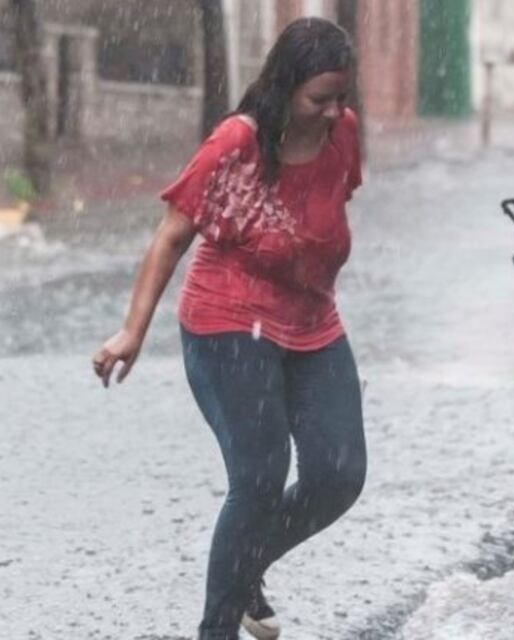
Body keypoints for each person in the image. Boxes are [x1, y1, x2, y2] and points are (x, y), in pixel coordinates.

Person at [91, 18, 367, 640]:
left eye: (341, 97)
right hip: (228, 321)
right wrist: (131, 333)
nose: (332, 112)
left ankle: (246, 568)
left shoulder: (343, 135)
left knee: (339, 473)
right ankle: (217, 628)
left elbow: (320, 220)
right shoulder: (236, 144)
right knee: (261, 478)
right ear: (286, 85)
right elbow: (169, 238)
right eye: (318, 98)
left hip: (313, 321)